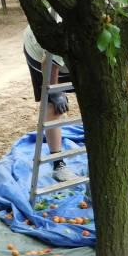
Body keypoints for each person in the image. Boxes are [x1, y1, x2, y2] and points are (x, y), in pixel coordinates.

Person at [23, 24, 77, 182]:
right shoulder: (63, 33)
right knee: (53, 105)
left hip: (69, 58)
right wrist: (55, 93)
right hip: (41, 55)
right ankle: (58, 163)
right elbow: (48, 64)